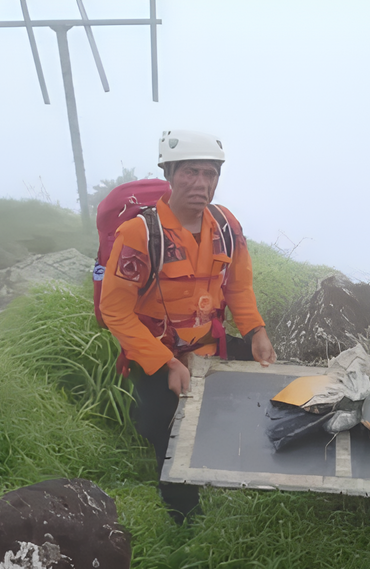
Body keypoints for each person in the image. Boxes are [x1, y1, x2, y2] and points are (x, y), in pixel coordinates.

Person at [100, 130, 276, 522]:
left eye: (210, 173)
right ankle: (184, 520)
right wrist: (166, 363)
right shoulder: (139, 235)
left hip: (209, 347)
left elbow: (238, 286)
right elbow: (116, 312)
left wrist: (255, 332)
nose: (201, 184)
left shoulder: (226, 226)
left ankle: (232, 470)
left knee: (244, 402)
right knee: (167, 436)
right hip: (158, 352)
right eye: (191, 173)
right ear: (169, 173)